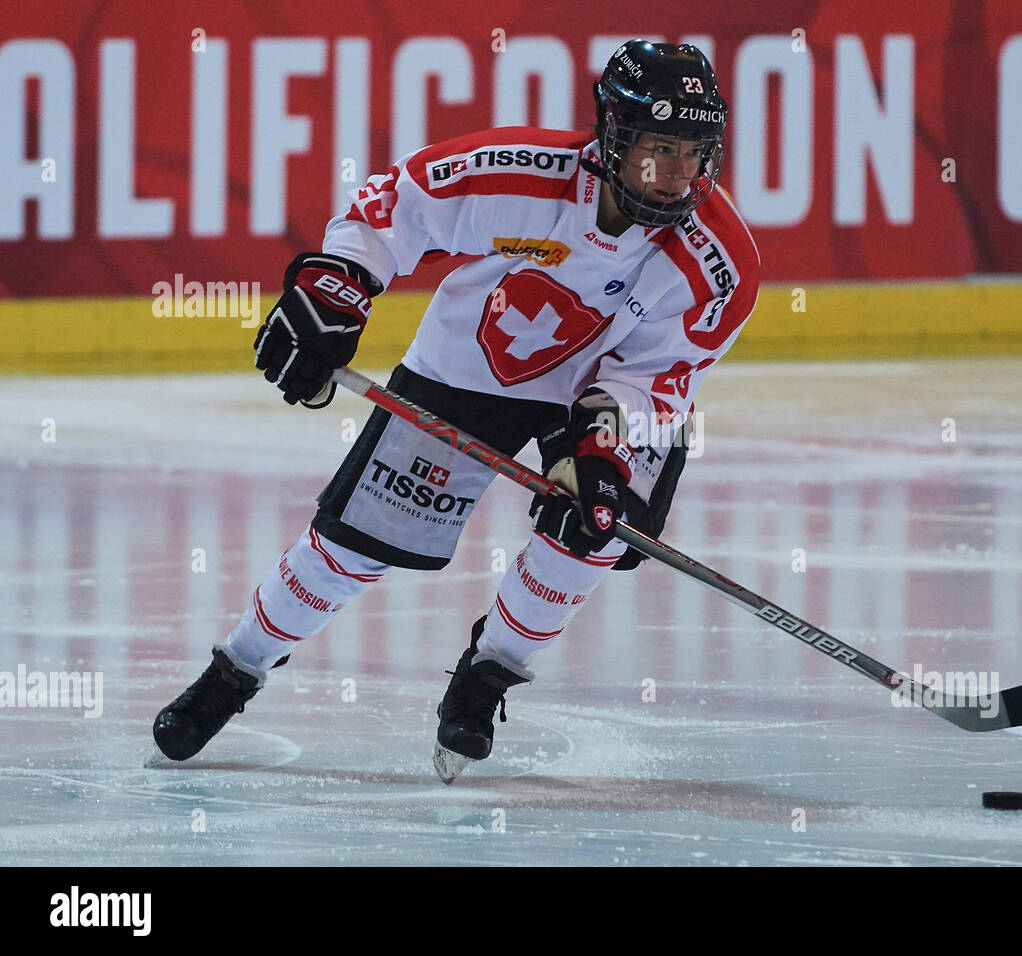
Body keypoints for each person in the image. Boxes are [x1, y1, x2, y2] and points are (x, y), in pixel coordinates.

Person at [151, 39, 759, 782]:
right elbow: (395, 204)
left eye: (696, 154)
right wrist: (337, 285)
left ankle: (488, 676)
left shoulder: (722, 261)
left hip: (604, 394)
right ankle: (234, 671)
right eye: (659, 150)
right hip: (470, 366)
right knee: (352, 549)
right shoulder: (524, 175)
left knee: (593, 530)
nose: (678, 177)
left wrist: (601, 443)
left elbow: (665, 376)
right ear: (612, 135)